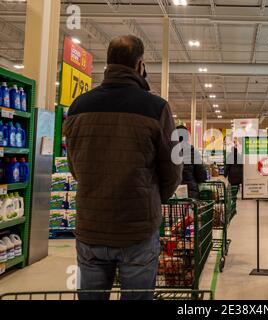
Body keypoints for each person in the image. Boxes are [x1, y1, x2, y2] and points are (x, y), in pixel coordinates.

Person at [63, 35, 182, 300]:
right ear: (140, 65)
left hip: (91, 226)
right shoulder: (157, 108)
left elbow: (74, 166)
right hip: (137, 230)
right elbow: (173, 170)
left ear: (108, 64)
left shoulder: (78, 106)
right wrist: (151, 196)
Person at [177, 125, 208, 199]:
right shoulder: (193, 152)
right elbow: (201, 174)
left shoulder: (168, 152)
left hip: (172, 192)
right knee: (190, 209)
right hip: (190, 191)